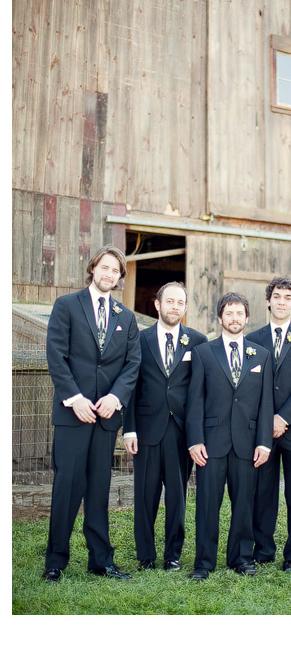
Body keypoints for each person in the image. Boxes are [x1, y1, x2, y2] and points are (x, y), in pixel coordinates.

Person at [43, 245, 141, 582]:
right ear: (93, 268)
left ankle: (101, 561)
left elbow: (132, 363)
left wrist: (116, 397)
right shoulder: (67, 305)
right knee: (67, 487)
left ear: (119, 278)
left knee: (99, 488)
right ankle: (55, 561)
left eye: (116, 271)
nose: (109, 274)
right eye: (105, 267)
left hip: (106, 417)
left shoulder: (125, 317)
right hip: (73, 414)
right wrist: (75, 399)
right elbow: (56, 355)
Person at [186, 292, 274, 580]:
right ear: (220, 317)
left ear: (247, 318)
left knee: (245, 504)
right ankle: (204, 562)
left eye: (239, 313)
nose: (234, 318)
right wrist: (195, 440)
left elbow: (266, 403)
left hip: (247, 443)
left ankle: (242, 558)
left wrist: (264, 442)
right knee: (207, 504)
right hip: (211, 443)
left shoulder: (261, 355)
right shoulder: (203, 353)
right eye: (229, 313)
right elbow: (195, 400)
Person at [123, 282, 207, 572]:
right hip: (146, 428)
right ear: (157, 305)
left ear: (185, 308)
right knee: (145, 495)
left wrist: (197, 435)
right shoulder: (139, 338)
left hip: (181, 431)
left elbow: (200, 391)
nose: (175, 306)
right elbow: (131, 385)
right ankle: (145, 555)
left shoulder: (197, 341)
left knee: (177, 496)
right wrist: (129, 429)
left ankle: (173, 554)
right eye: (169, 301)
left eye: (180, 302)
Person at [246, 277, 291, 572]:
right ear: (268, 301)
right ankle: (263, 549)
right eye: (277, 296)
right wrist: (268, 420)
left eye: (288, 297)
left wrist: (283, 418)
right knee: (262, 492)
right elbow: (249, 386)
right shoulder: (252, 340)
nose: (281, 301)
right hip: (262, 431)